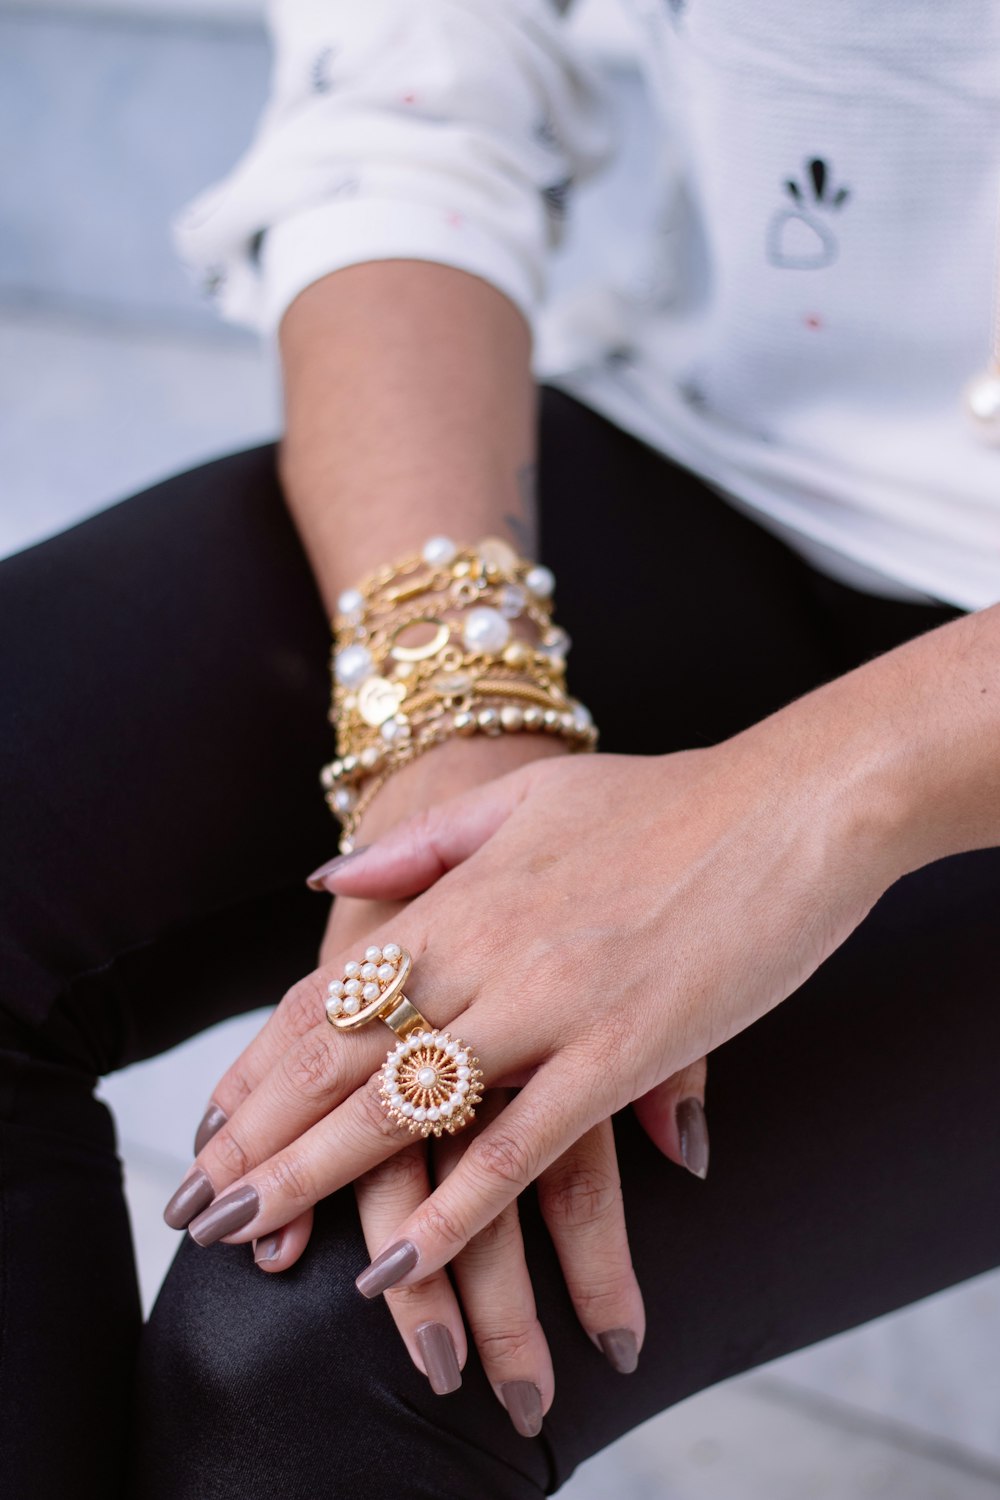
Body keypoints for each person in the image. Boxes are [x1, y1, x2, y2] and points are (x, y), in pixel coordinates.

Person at [3, 2, 1000, 1496]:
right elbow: (411, 102)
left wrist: (804, 801)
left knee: (317, 1349)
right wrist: (446, 711)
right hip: (747, 456)